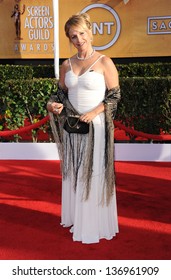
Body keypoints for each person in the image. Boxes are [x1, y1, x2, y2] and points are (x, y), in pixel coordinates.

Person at [47, 13, 121, 244]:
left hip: (95, 127)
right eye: (73, 36)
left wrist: (96, 111)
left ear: (90, 31)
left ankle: (92, 224)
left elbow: (115, 96)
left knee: (92, 173)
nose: (78, 39)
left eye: (81, 33)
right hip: (72, 127)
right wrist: (52, 104)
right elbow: (60, 93)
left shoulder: (104, 62)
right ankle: (75, 217)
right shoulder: (66, 64)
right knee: (74, 173)